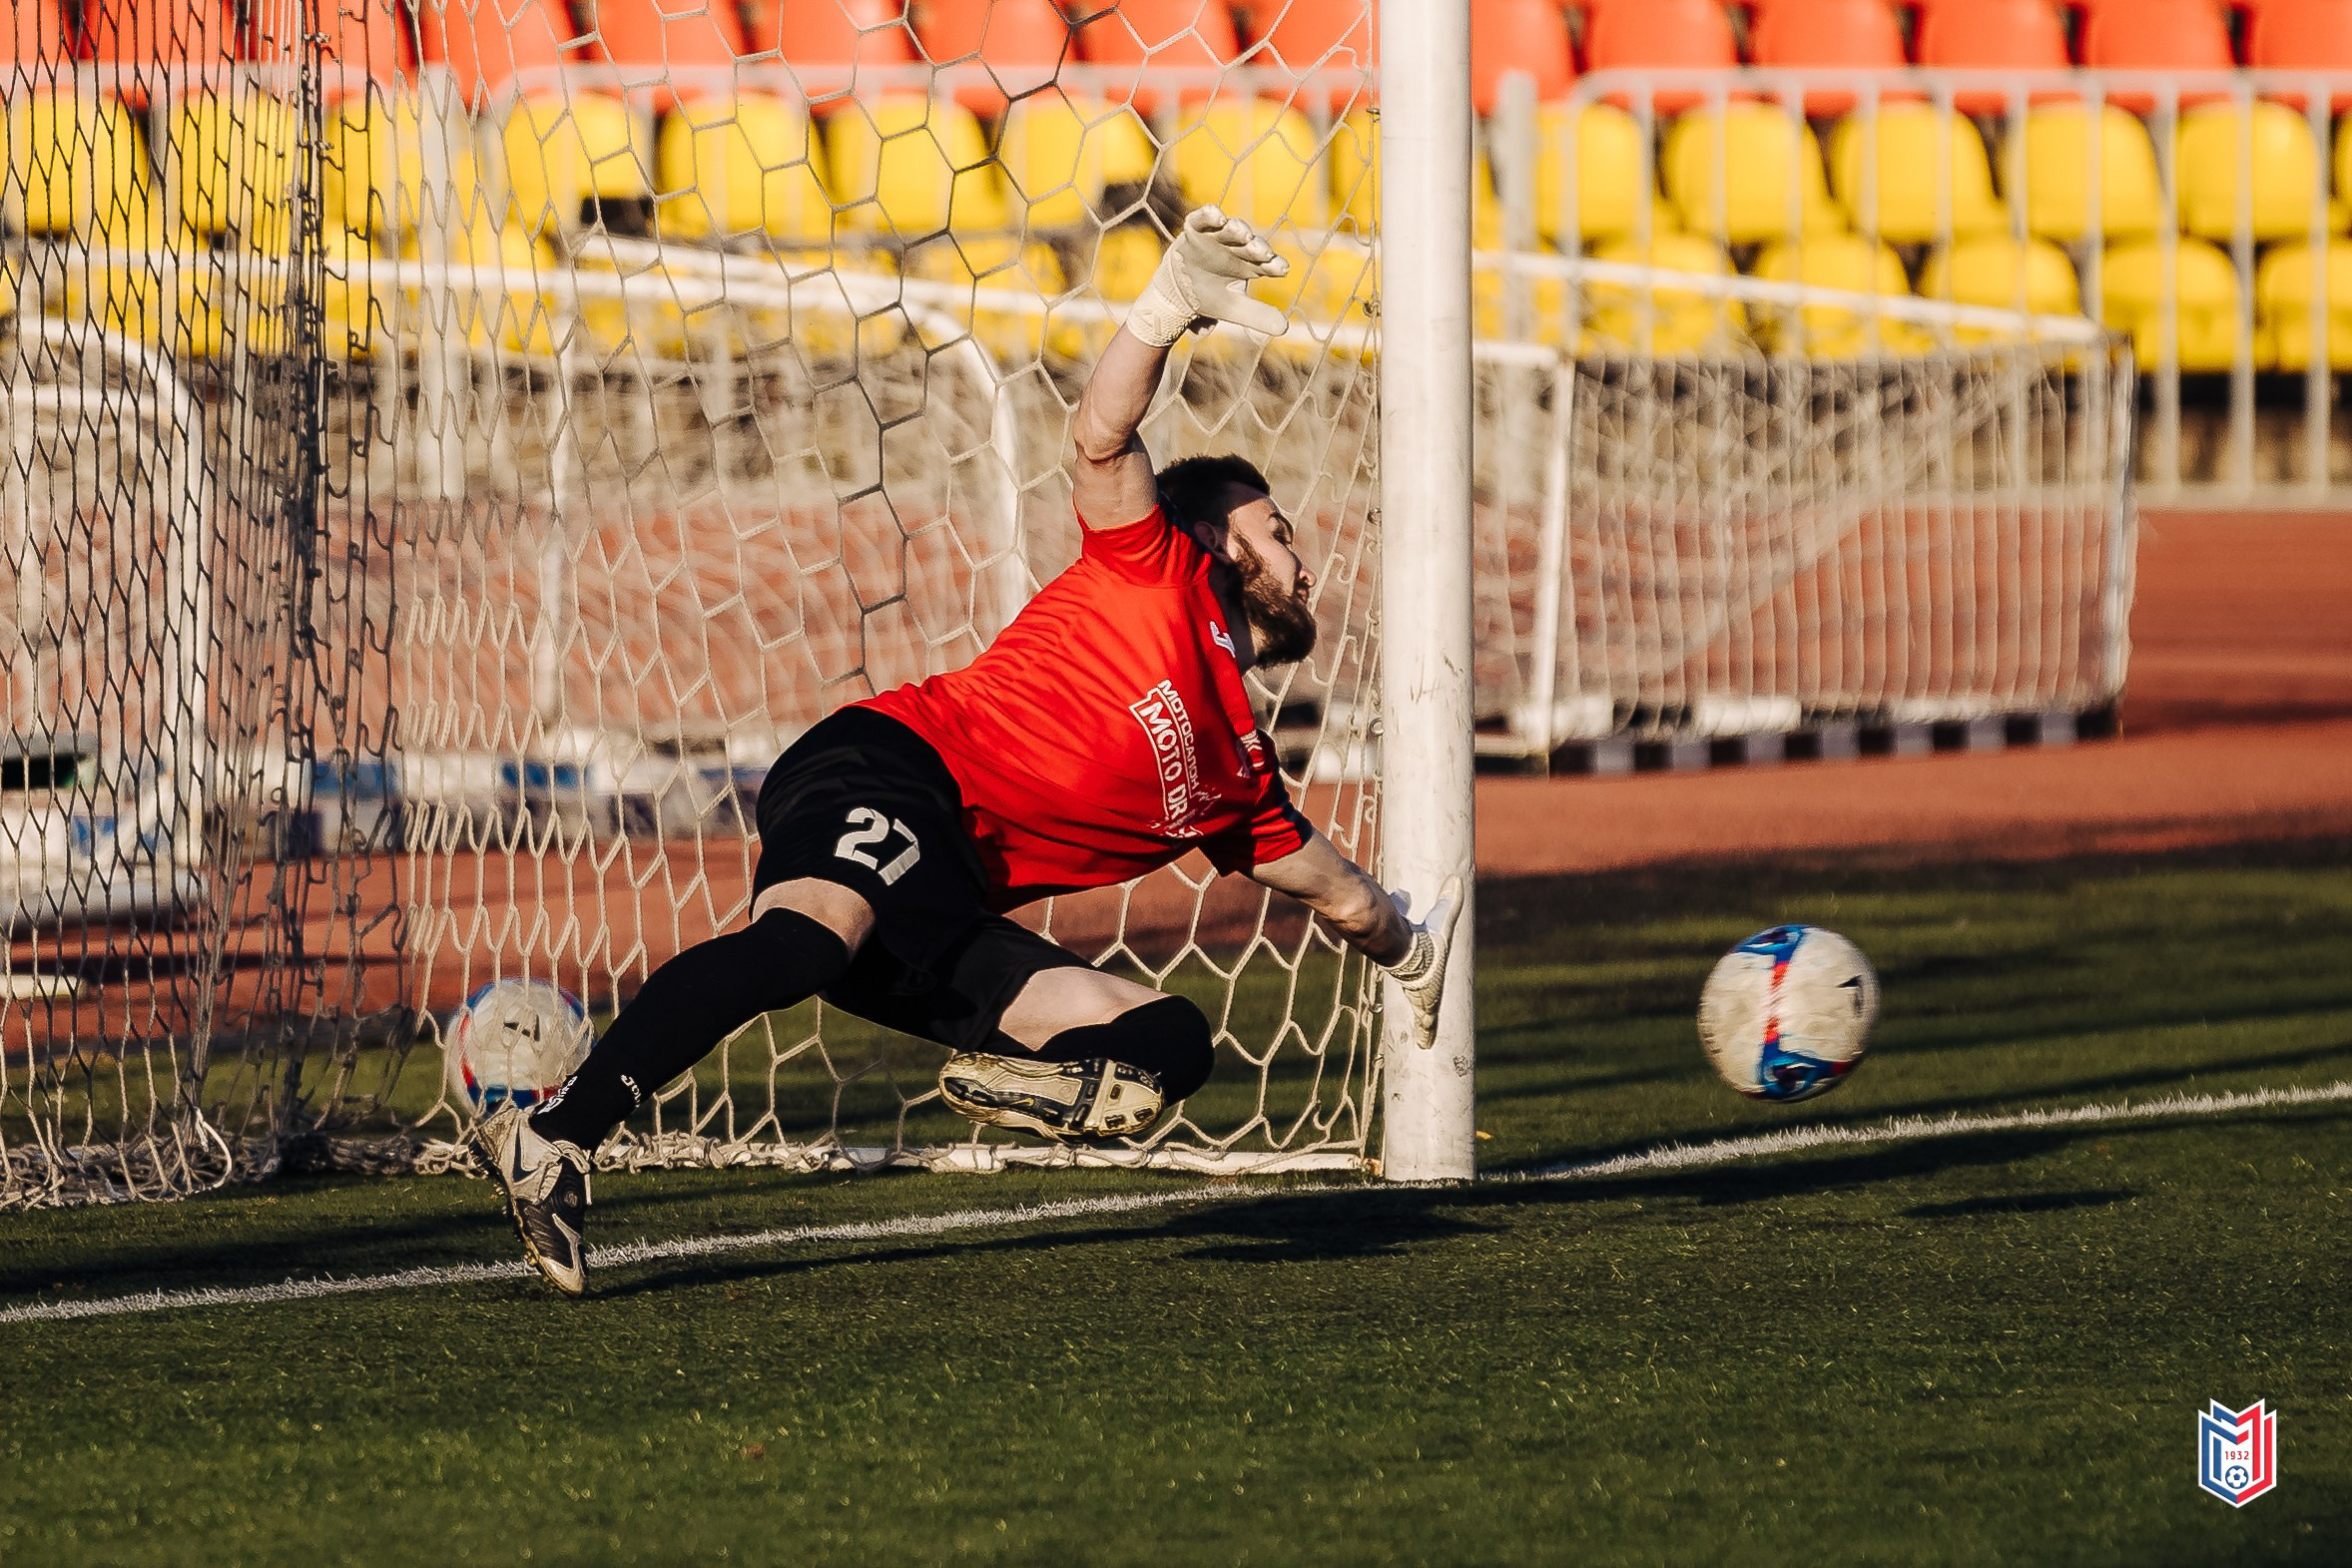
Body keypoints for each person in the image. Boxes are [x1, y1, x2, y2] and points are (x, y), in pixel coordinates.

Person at [472, 208, 1461, 1297]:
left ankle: (1031, 1081)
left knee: (1169, 1042)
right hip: (894, 770)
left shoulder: (1242, 783)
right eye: (1278, 528)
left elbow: (1347, 899)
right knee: (805, 944)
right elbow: (1099, 433)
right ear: (1218, 541)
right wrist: (1166, 306)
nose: (1302, 558)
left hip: (942, 906)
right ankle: (556, 1133)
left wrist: (1413, 951)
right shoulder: (1154, 568)